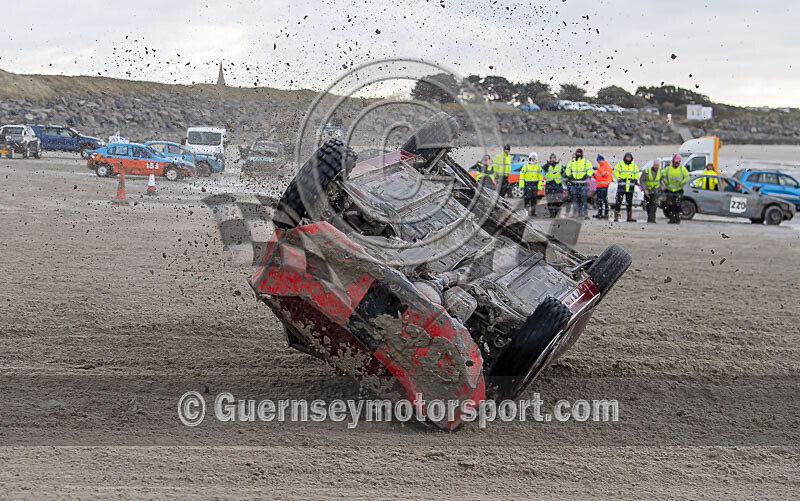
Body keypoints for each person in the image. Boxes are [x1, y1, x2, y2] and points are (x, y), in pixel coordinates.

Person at [565, 148, 594, 220]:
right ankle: (575, 213)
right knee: (575, 199)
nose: (578, 154)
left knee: (583, 199)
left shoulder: (586, 162)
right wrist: (569, 175)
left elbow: (590, 170)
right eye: (577, 153)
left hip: (583, 184)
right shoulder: (571, 162)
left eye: (580, 153)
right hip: (574, 183)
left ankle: (585, 214)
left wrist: (587, 175)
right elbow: (567, 170)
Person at [662, 154, 690, 224]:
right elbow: (663, 176)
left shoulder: (682, 169)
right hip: (670, 190)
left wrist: (682, 183)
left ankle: (677, 219)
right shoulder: (668, 169)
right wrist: (666, 183)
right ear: (672, 161)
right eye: (675, 162)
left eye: (678, 162)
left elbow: (687, 178)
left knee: (677, 205)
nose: (676, 164)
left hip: (678, 190)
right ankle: (671, 219)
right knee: (670, 205)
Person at [613, 152, 640, 222]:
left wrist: (635, 179)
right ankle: (616, 216)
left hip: (630, 187)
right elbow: (615, 172)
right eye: (627, 157)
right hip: (621, 187)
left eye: (629, 157)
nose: (628, 159)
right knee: (618, 202)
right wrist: (619, 178)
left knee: (629, 203)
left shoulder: (634, 165)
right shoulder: (620, 164)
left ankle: (629, 217)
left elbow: (637, 173)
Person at [519, 151, 543, 216]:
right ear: (530, 157)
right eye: (532, 157)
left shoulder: (538, 166)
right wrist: (521, 185)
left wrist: (539, 186)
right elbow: (522, 175)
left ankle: (533, 212)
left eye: (534, 157)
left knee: (534, 199)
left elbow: (540, 177)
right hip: (527, 184)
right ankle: (525, 212)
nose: (533, 158)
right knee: (527, 199)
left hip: (535, 184)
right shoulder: (526, 165)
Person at [640, 159, 663, 223]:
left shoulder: (660, 172)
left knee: (654, 205)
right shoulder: (647, 171)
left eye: (658, 166)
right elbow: (642, 180)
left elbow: (661, 180)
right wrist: (644, 189)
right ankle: (649, 217)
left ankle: (652, 218)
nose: (656, 167)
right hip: (648, 191)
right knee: (648, 205)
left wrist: (662, 185)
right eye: (655, 165)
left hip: (656, 191)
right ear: (653, 165)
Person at [543, 153, 564, 218]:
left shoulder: (560, 166)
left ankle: (557, 213)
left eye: (554, 158)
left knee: (558, 200)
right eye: (551, 158)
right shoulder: (547, 166)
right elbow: (544, 169)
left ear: (556, 159)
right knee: (550, 200)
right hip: (549, 185)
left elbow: (564, 173)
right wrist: (548, 164)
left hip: (558, 185)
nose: (553, 159)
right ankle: (552, 213)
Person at [593, 154, 613, 219]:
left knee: (604, 200)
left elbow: (605, 175)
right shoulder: (601, 167)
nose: (598, 162)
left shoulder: (607, 166)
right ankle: (600, 213)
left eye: (598, 160)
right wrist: (594, 175)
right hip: (599, 185)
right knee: (599, 200)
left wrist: (599, 170)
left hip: (605, 186)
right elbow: (598, 176)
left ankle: (606, 213)